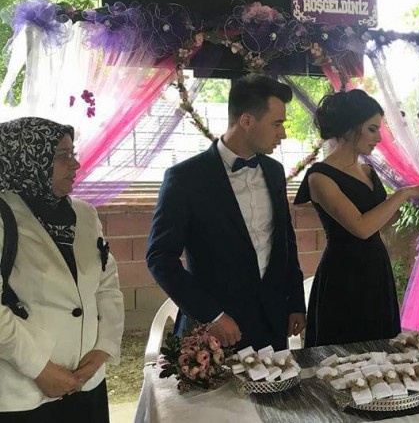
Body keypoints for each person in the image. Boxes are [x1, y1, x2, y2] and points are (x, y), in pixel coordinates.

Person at [146, 74, 306, 351]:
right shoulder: (185, 178)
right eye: (277, 124)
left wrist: (295, 302)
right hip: (214, 332)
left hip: (271, 322)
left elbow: (285, 241)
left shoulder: (274, 172)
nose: (283, 133)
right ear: (246, 121)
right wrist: (212, 315)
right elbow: (160, 258)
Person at [0, 117, 124, 422]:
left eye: (73, 153)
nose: (76, 164)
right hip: (24, 391)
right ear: (29, 160)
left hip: (87, 381)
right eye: (62, 156)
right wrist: (39, 369)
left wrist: (103, 349)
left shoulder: (84, 214)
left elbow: (106, 285)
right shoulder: (4, 218)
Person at [293, 89, 419, 347]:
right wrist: (404, 193)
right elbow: (362, 227)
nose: (379, 138)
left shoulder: (367, 170)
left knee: (382, 350)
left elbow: (378, 218)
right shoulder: (320, 176)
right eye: (372, 129)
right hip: (343, 275)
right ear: (350, 128)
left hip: (377, 268)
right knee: (345, 354)